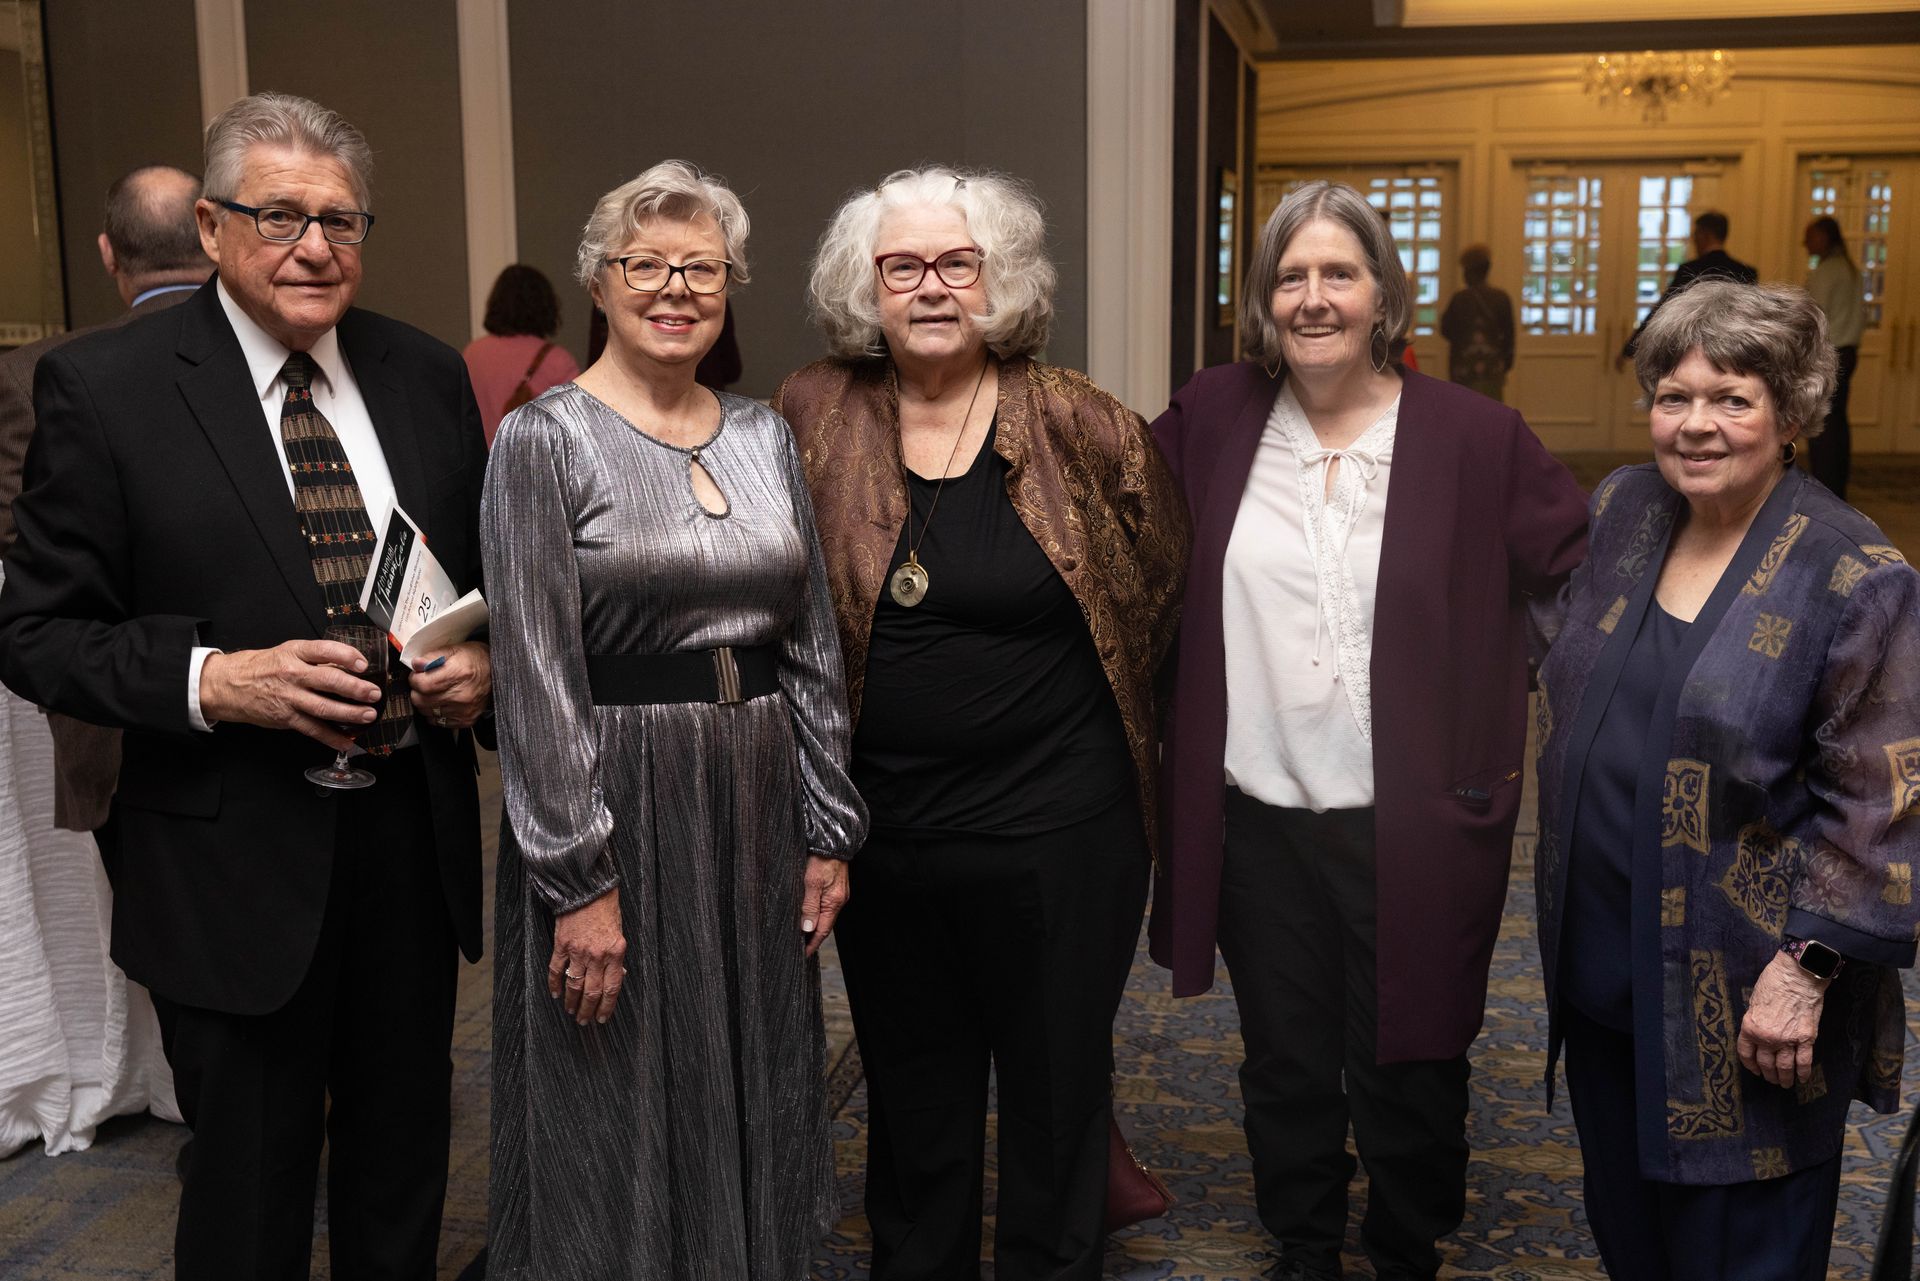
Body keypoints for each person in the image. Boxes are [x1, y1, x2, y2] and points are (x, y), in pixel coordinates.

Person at [0, 93, 492, 1278]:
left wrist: (482, 669)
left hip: (407, 843)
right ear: (213, 228)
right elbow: (38, 634)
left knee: (401, 1166)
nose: (314, 246)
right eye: (279, 217)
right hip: (230, 859)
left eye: (339, 220)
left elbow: (485, 583)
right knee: (248, 1189)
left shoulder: (424, 374)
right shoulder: (107, 387)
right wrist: (217, 682)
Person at [1150, 179, 1587, 1281]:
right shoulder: (1213, 416)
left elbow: (1583, 579)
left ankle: (1406, 1241)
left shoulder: (1476, 436)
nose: (1313, 298)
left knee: (1415, 1054)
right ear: (1263, 300)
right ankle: (1303, 1240)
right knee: (1285, 1056)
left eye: (1338, 273)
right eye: (1290, 276)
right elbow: (1111, 520)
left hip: (1420, 818)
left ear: (1383, 295)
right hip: (1258, 815)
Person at [773, 166, 1189, 1279]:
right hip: (883, 835)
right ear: (866, 288)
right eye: (902, 266)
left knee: (1057, 1094)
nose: (931, 286)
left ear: (999, 280)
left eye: (958, 262)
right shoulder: (813, 410)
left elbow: (1156, 596)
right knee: (914, 1097)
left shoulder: (1082, 422)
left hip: (1062, 834)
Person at [482, 160, 866, 1281]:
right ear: (599, 283)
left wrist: (829, 825)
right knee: (616, 1079)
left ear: (729, 287)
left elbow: (810, 641)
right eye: (645, 265)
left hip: (754, 797)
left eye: (702, 268)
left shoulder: (764, 435)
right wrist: (576, 878)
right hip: (617, 798)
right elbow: (534, 672)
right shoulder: (543, 440)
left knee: (759, 1062)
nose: (675, 288)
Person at [1534, 278, 1920, 1279]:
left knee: (1740, 1253)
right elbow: (1565, 653)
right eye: (1674, 395)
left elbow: (1885, 806)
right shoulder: (1626, 507)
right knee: (1631, 1240)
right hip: (1605, 977)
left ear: (1791, 415)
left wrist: (1804, 974)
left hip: (1747, 1006)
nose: (1695, 424)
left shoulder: (1854, 574)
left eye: (1731, 399)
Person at [0, 162, 206, 1158]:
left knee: (157, 916)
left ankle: (202, 1101)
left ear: (105, 253)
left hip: (112, 708)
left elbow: (24, 556)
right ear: (213, 235)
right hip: (277, 692)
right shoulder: (279, 353)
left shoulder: (34, 372)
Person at [1617, 210, 1757, 368]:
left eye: (1695, 234)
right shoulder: (1747, 272)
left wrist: (1630, 348)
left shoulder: (1690, 269)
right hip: (1733, 353)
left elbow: (1662, 308)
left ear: (1704, 235)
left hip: (1695, 350)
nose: (1693, 239)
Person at [462, 264, 580, 445]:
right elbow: (576, 426)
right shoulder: (558, 361)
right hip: (533, 459)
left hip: (480, 459)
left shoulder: (473, 353)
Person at [1803, 216, 1865, 498]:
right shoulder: (1851, 270)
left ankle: (1824, 488)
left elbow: (1812, 316)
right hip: (1848, 352)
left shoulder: (1828, 271)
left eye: (1810, 237)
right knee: (1837, 421)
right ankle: (1837, 485)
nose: (1804, 243)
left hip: (1830, 353)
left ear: (1824, 238)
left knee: (1822, 422)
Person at [1439, 243, 1515, 402]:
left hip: (1463, 369)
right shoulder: (1501, 298)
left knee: (1462, 410)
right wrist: (1505, 364)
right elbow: (1509, 336)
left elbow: (1445, 330)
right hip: (1492, 369)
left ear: (1468, 271)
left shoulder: (1459, 299)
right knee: (1491, 411)